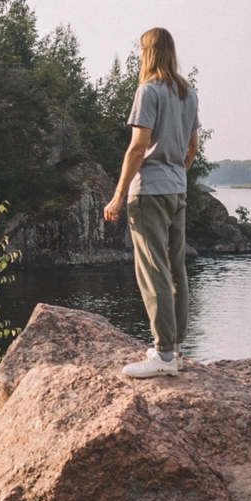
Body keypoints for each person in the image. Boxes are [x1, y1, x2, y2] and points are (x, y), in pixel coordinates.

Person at [103, 27, 199, 378]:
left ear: (149, 52)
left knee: (153, 270)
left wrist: (118, 196)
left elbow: (138, 147)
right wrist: (176, 175)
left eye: (141, 50)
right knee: (175, 269)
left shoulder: (149, 90)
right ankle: (175, 348)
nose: (140, 55)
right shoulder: (187, 92)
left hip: (150, 192)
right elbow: (193, 149)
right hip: (177, 191)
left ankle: (163, 355)